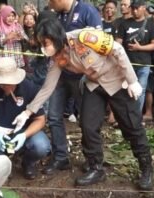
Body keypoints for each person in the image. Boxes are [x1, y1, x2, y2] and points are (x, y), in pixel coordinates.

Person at [12, 18, 154, 190]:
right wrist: (27, 112)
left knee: (132, 126)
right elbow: (47, 88)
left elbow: (117, 50)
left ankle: (146, 169)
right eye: (42, 43)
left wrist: (132, 80)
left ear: (56, 37)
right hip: (94, 85)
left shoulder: (84, 37)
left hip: (118, 81)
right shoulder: (58, 58)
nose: (44, 47)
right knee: (88, 125)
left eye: (46, 43)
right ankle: (96, 167)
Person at [39, 0, 102, 176]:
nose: (49, 4)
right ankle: (61, 157)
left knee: (87, 120)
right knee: (54, 116)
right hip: (60, 73)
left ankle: (93, 160)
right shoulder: (57, 16)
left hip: (82, 76)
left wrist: (89, 71)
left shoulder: (87, 11)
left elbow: (99, 43)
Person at [0, 57, 51, 180]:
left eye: (8, 83)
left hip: (22, 130)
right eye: (1, 83)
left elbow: (40, 119)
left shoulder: (29, 87)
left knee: (41, 145)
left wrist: (24, 135)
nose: (5, 86)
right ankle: (2, 162)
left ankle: (28, 162)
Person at [116, 0, 154, 113]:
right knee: (124, 89)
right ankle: (123, 115)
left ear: (144, 8)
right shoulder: (124, 24)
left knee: (140, 90)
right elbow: (118, 43)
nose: (134, 11)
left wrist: (139, 48)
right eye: (133, 8)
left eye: (137, 8)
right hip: (126, 63)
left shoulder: (151, 23)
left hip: (144, 63)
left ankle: (136, 116)